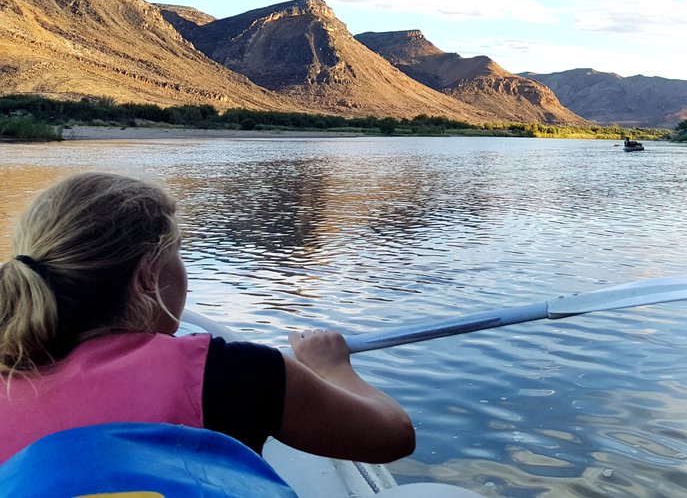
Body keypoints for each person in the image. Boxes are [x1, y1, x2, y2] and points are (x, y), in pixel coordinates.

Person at [0, 171, 415, 466]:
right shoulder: (235, 373)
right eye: (177, 252)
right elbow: (392, 435)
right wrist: (333, 367)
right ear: (148, 275)